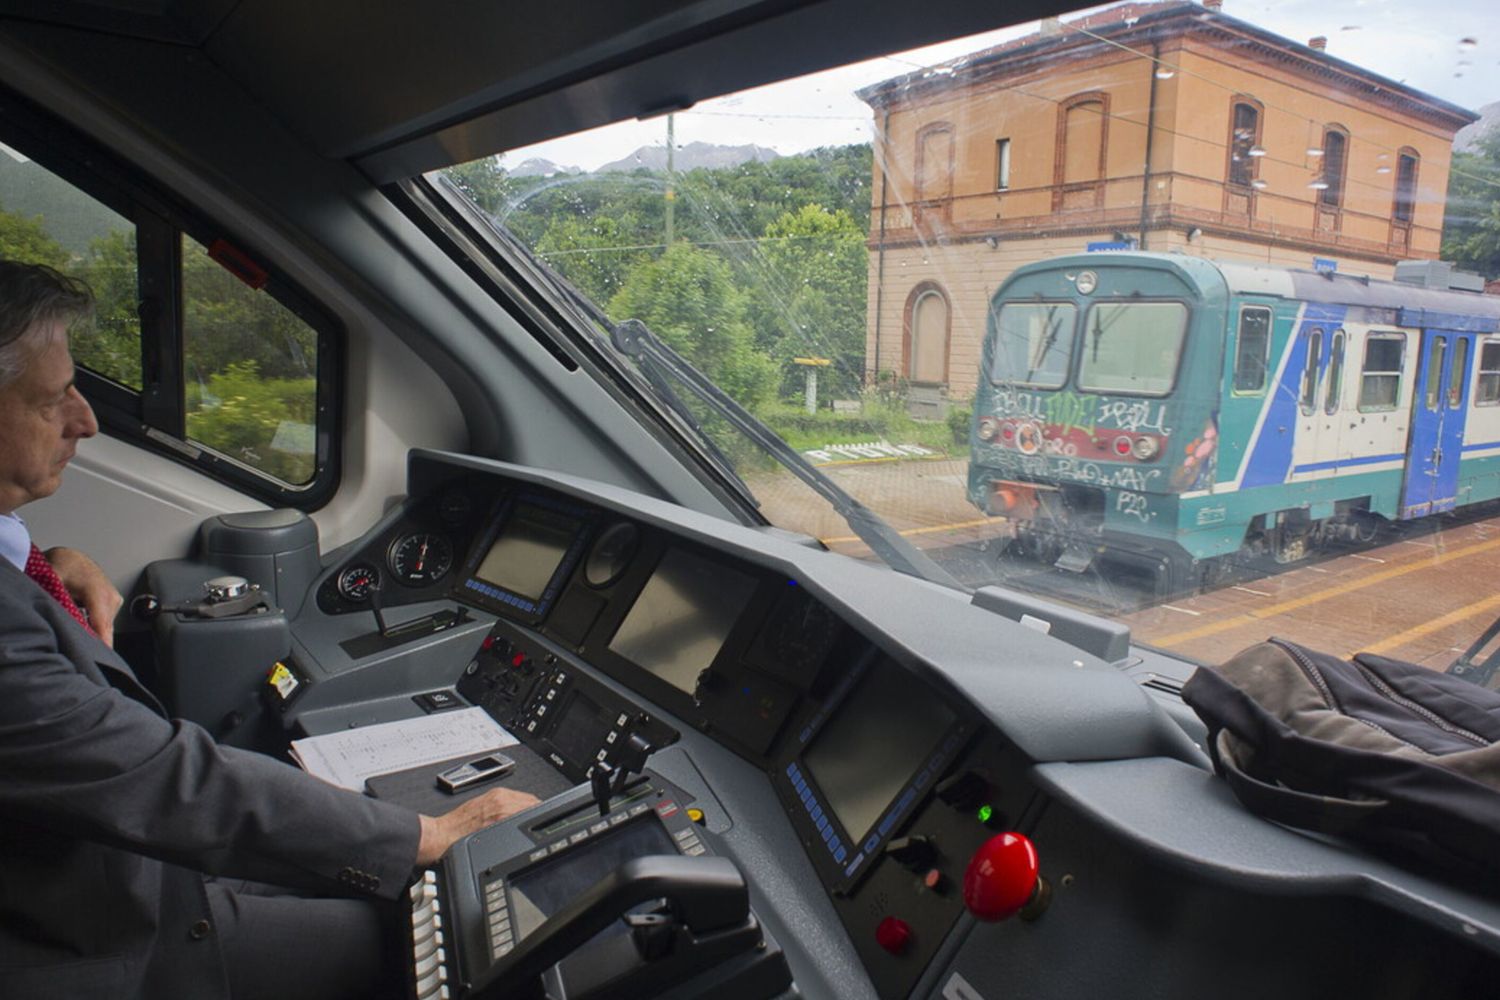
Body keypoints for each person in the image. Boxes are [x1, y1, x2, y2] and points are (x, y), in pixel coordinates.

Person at [0, 260, 540, 999]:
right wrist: (428, 834)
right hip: (92, 942)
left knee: (383, 892)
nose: (85, 420)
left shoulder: (16, 557)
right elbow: (166, 784)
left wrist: (50, 562)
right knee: (432, 936)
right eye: (53, 397)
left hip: (118, 878)